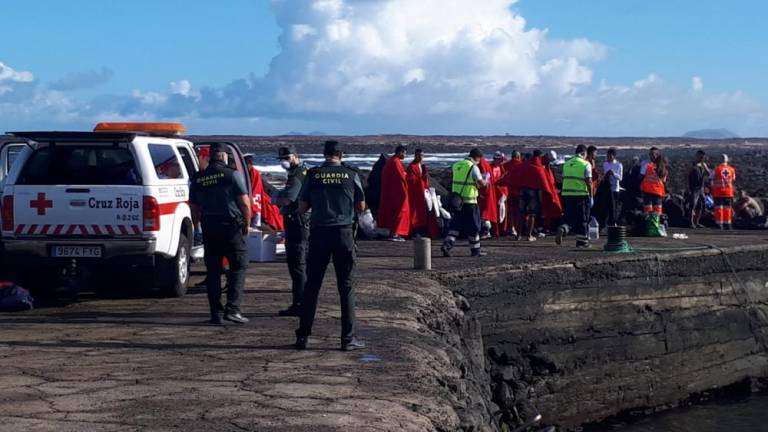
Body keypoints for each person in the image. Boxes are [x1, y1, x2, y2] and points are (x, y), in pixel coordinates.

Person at [295, 140, 366, 351]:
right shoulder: (351, 174)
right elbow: (361, 206)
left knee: (312, 287)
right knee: (346, 287)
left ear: (324, 154)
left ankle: (303, 337)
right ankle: (347, 338)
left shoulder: (314, 175)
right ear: (340, 154)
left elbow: (302, 206)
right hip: (343, 233)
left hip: (319, 233)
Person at [190, 144, 251, 325]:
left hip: (210, 227)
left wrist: (197, 228)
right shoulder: (232, 175)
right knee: (238, 266)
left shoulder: (199, 178)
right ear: (224, 156)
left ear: (210, 156)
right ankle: (233, 310)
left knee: (214, 271)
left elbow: (194, 208)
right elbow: (245, 204)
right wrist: (247, 224)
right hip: (231, 227)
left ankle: (215, 314)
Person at [274, 146, 310, 317]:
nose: (284, 161)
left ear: (296, 156)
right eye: (282, 158)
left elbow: (288, 199)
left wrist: (275, 198)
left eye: (287, 157)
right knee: (300, 265)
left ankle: (300, 304)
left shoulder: (297, 175)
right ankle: (303, 302)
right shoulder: (300, 172)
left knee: (297, 265)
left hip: (297, 223)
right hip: (302, 223)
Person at [442, 149, 488, 257]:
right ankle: (475, 251)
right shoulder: (473, 167)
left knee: (455, 226)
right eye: (479, 159)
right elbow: (482, 183)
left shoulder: (457, 164)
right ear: (477, 157)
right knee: (474, 227)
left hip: (457, 202)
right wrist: (485, 181)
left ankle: (447, 245)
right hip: (470, 202)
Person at [556, 145, 593, 248]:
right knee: (582, 219)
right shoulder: (586, 164)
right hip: (581, 195)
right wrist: (591, 196)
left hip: (567, 194)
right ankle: (582, 242)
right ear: (583, 153)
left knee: (570, 217)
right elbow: (589, 182)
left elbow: (563, 178)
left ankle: (563, 228)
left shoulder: (567, 164)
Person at [378, 145, 411, 241]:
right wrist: (405, 192)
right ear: (400, 152)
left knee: (393, 213)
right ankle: (395, 233)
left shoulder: (392, 161)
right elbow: (400, 178)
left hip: (391, 192)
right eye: (404, 153)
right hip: (397, 193)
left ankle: (393, 232)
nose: (405, 155)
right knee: (400, 212)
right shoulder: (395, 162)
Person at [406, 149, 440, 238]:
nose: (421, 157)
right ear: (415, 156)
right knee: (416, 213)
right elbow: (411, 181)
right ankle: (415, 231)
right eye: (419, 155)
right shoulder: (411, 166)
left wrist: (424, 176)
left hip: (422, 193)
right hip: (415, 194)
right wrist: (421, 180)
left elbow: (423, 179)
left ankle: (425, 231)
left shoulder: (420, 166)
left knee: (424, 212)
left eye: (422, 155)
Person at [245, 155, 284, 231]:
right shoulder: (252, 174)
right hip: (265, 202)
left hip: (264, 204)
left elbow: (256, 193)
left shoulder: (254, 174)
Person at [519, 150, 548, 241]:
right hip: (533, 193)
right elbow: (544, 183)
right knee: (532, 214)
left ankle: (518, 235)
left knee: (522, 214)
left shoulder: (525, 165)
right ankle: (529, 236)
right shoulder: (538, 168)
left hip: (522, 191)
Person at [640, 154, 668, 233]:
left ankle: (648, 228)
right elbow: (664, 181)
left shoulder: (649, 166)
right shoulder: (664, 171)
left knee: (648, 210)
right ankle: (657, 228)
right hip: (657, 192)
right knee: (658, 211)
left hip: (647, 191)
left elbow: (642, 175)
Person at [710, 154, 737, 230]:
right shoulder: (732, 169)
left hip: (718, 192)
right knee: (727, 208)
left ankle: (719, 224)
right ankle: (728, 224)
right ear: (727, 160)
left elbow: (711, 178)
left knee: (719, 208)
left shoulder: (716, 169)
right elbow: (733, 179)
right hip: (728, 192)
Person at [501, 151, 524, 238]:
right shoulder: (521, 165)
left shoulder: (505, 165)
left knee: (509, 211)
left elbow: (503, 177)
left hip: (508, 191)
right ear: (518, 157)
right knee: (519, 211)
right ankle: (517, 229)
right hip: (518, 192)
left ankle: (511, 227)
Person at [477, 155, 499, 238]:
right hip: (489, 192)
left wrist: (481, 192)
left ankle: (486, 232)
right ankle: (488, 231)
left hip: (484, 193)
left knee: (484, 214)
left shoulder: (481, 165)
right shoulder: (487, 164)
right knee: (487, 213)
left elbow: (484, 181)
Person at [687, 150, 711, 228]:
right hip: (694, 188)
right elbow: (687, 174)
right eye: (700, 156)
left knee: (700, 205)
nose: (701, 158)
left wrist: (704, 167)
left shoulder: (703, 164)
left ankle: (696, 222)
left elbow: (708, 174)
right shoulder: (693, 164)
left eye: (702, 157)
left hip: (701, 187)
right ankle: (691, 222)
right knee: (693, 205)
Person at [602, 148, 623, 226]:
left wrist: (613, 173)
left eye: (610, 156)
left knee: (614, 207)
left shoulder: (619, 165)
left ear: (614, 156)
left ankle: (614, 222)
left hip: (615, 189)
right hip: (607, 188)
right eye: (607, 156)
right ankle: (607, 223)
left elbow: (620, 178)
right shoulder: (605, 164)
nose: (608, 157)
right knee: (607, 206)